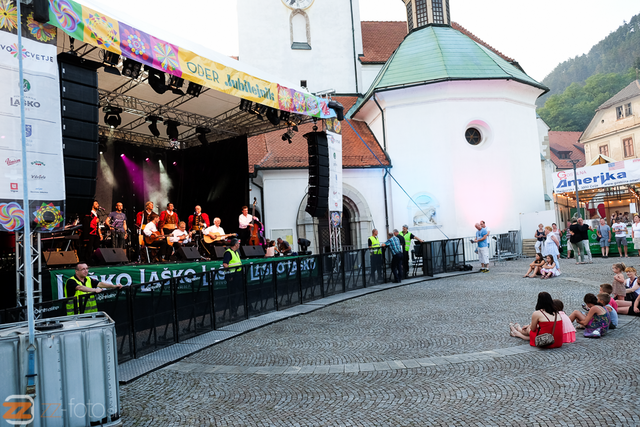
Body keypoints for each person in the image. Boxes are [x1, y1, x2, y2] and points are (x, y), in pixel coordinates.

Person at [222, 238, 243, 319]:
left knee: (242, 291)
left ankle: (248, 308)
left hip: (238, 275)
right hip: (232, 276)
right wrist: (229, 274)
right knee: (232, 295)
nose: (239, 245)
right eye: (238, 243)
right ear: (236, 244)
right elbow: (225, 264)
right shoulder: (228, 253)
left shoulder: (236, 252)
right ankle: (232, 313)